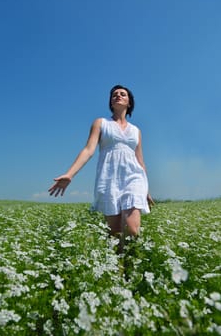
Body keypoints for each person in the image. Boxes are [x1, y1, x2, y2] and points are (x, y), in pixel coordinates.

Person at [48, 85, 154, 250]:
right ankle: (118, 266)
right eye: (114, 95)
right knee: (115, 232)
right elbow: (88, 150)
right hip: (109, 178)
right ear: (111, 102)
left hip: (134, 178)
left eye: (122, 94)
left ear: (129, 103)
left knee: (132, 229)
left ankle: (131, 263)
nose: (117, 96)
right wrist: (70, 174)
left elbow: (140, 160)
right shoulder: (101, 123)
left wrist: (146, 190)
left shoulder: (136, 131)